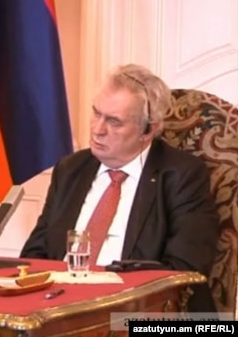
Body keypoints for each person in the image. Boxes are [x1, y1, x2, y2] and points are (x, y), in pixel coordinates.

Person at [20, 64, 220, 312]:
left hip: (140, 312)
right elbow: (35, 253)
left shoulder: (182, 174)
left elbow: (185, 268)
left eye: (114, 122)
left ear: (149, 130)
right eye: (96, 113)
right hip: (60, 311)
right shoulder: (71, 169)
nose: (97, 129)